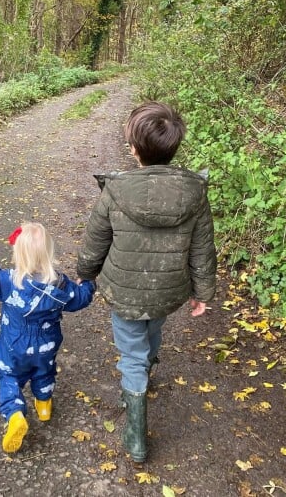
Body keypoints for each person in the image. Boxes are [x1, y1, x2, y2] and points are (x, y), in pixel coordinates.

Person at [76, 101, 217, 462]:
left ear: (134, 149)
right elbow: (202, 246)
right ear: (173, 148)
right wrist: (203, 291)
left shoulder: (115, 190)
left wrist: (85, 274)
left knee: (131, 353)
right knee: (152, 331)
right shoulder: (195, 193)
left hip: (124, 292)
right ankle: (145, 370)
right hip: (167, 289)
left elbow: (95, 240)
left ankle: (136, 434)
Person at [0, 223, 95, 453]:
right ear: (49, 253)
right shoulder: (61, 286)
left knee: (5, 374)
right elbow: (81, 298)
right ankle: (43, 404)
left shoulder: (8, 282)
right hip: (47, 343)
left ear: (18, 254)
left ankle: (15, 415)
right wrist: (89, 284)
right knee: (44, 371)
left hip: (14, 345)